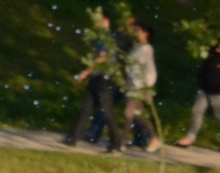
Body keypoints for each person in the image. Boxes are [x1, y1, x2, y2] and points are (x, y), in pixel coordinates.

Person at [64, 12, 125, 152]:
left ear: (106, 21)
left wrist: (86, 72)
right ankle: (72, 137)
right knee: (85, 108)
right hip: (97, 78)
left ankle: (116, 144)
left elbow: (102, 58)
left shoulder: (107, 38)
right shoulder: (100, 38)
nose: (97, 23)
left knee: (107, 112)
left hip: (105, 79)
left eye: (100, 20)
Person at [176, 40, 220, 152]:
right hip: (205, 87)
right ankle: (190, 138)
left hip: (217, 88)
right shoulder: (210, 51)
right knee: (197, 111)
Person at [121, 20, 161, 153]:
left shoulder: (146, 49)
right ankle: (154, 138)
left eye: (139, 31)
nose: (136, 33)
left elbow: (149, 69)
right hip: (133, 84)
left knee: (129, 113)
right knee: (137, 115)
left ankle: (121, 144)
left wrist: (147, 88)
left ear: (146, 34)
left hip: (140, 86)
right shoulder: (137, 47)